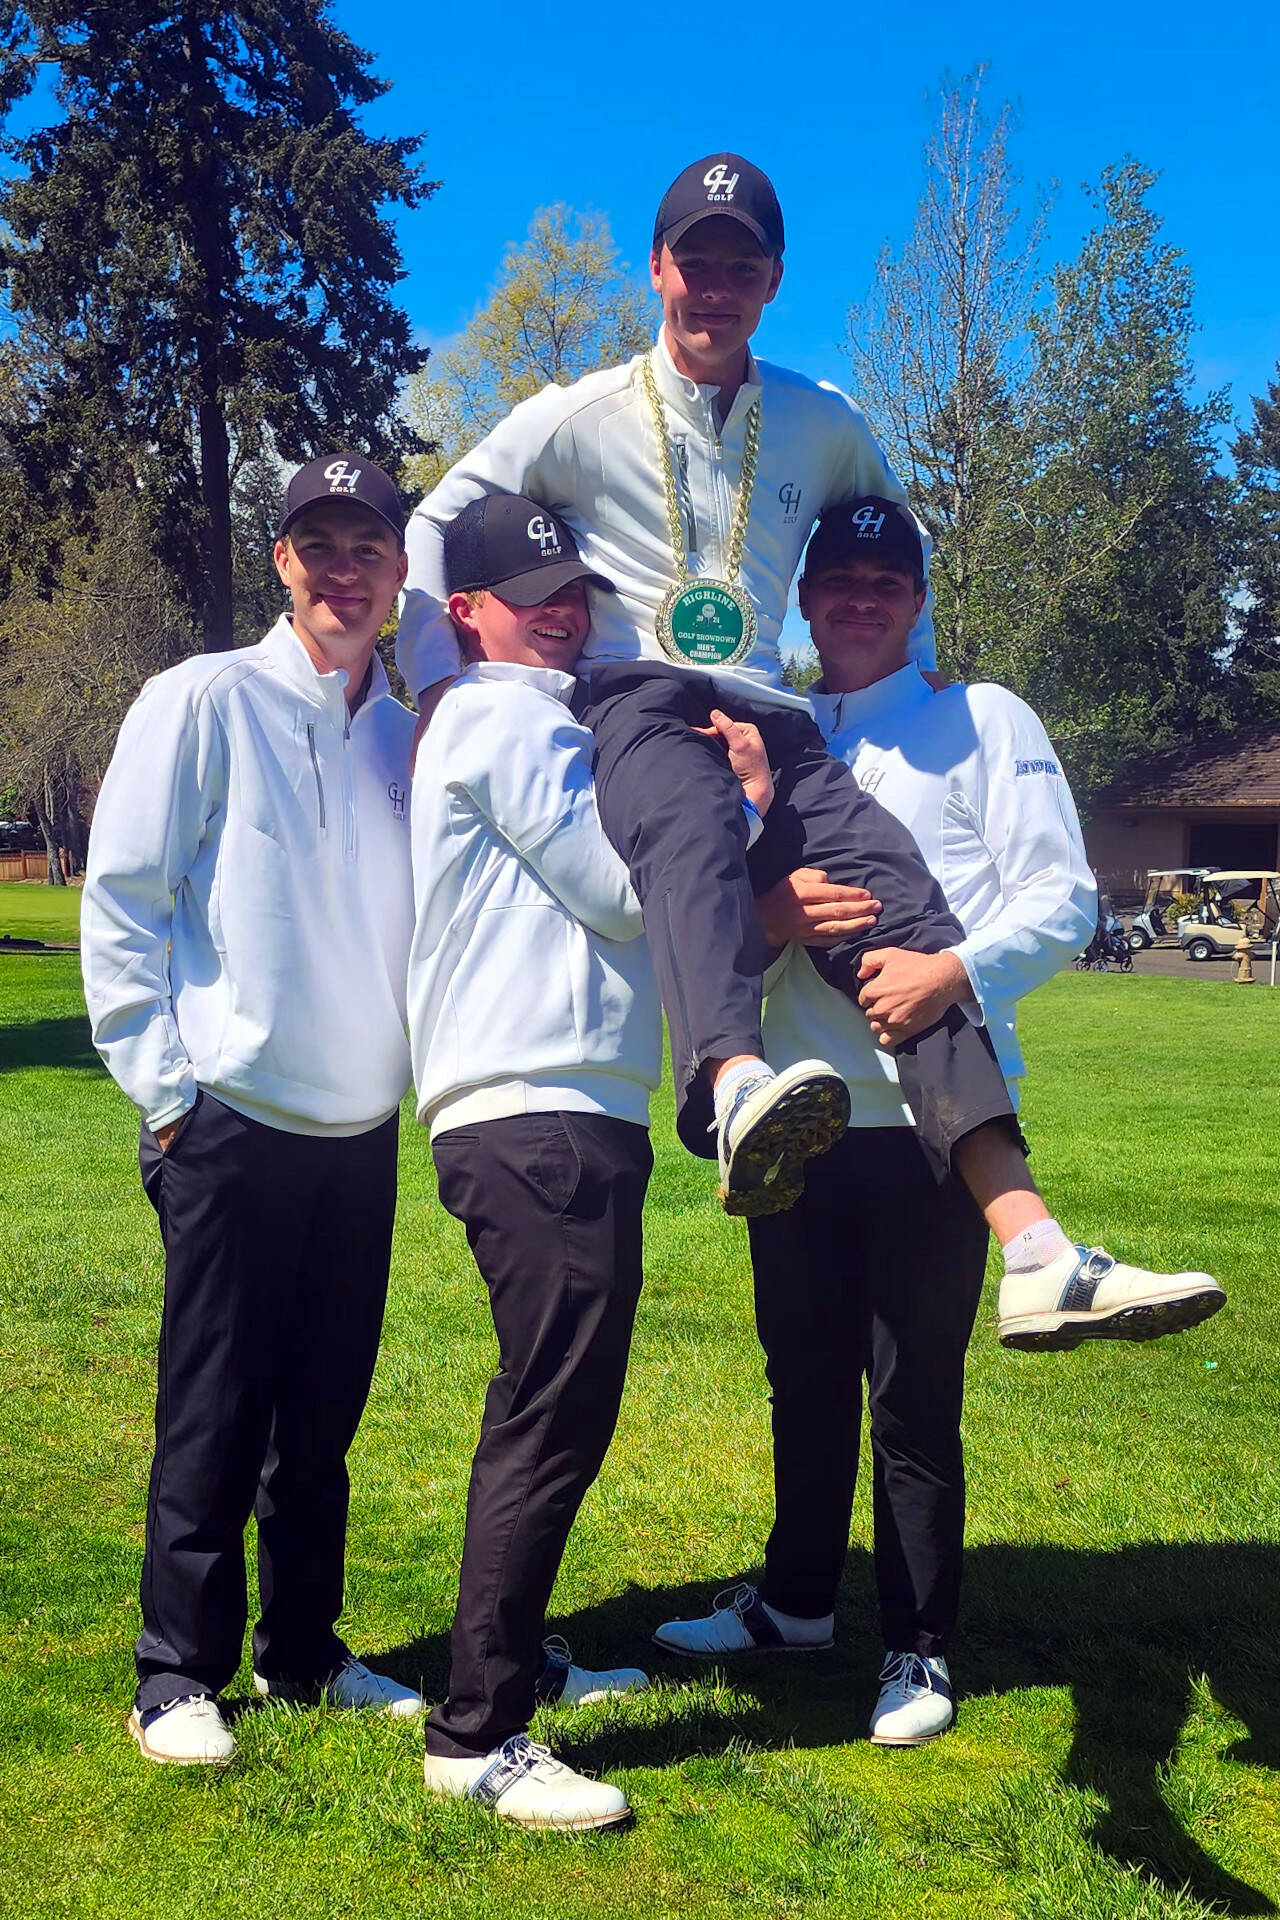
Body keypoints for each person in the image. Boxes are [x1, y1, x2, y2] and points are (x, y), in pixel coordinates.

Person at [397, 153, 1221, 1346]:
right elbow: (436, 522)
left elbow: (905, 534)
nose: (715, 289)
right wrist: (437, 680)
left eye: (741, 266)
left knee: (903, 910)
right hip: (639, 700)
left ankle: (1034, 1247)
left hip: (772, 715)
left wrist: (911, 667)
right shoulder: (573, 416)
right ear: (656, 269)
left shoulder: (823, 420)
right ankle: (732, 1088)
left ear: (773, 278)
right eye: (695, 263)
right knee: (685, 837)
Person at [651, 500, 1227, 1737]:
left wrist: (951, 971)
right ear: (802, 602)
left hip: (933, 1125)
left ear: (916, 601)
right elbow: (716, 925)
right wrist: (775, 912)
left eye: (885, 583)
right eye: (839, 581)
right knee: (799, 1376)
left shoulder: (983, 717)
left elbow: (1061, 896)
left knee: (911, 1395)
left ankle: (917, 1647)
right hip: (795, 1117)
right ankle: (797, 1601)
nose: (860, 600)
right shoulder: (764, 723)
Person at [408, 493, 776, 1829]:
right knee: (553, 1411)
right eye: (530, 594)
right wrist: (732, 809)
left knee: (551, 1400)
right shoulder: (506, 715)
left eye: (574, 595)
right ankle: (480, 1732)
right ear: (469, 612)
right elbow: (626, 887)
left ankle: (516, 1665)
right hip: (536, 1101)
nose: (562, 615)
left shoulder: (526, 713)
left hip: (549, 1099)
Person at [81, 455, 426, 1766]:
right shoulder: (203, 699)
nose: (344, 571)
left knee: (320, 1422)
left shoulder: (405, 734)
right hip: (227, 1118)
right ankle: (175, 1672)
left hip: (356, 1130)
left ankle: (302, 1651)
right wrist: (170, 1098)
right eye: (318, 545)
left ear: (398, 574)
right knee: (215, 1408)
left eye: (368, 549)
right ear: (279, 559)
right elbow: (123, 904)